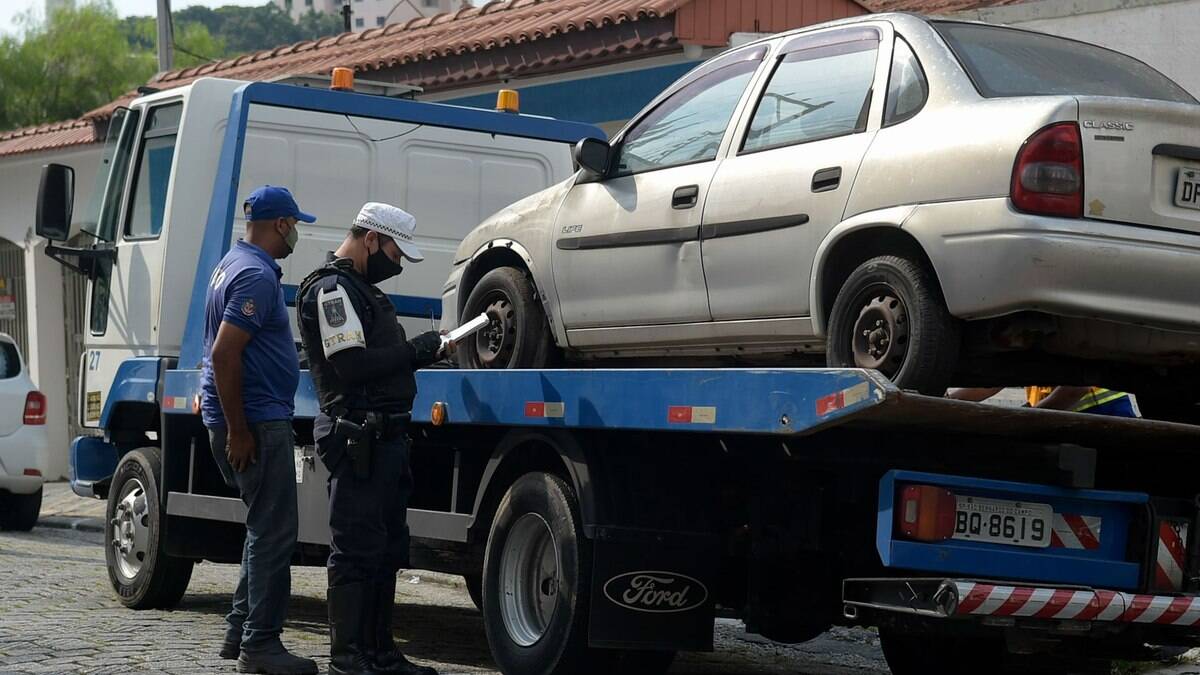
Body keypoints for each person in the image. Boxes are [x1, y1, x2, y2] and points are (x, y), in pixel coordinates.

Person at [297, 202, 445, 675]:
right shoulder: (332, 291)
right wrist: (416, 351)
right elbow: (351, 367)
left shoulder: (361, 290)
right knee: (357, 551)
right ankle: (349, 657)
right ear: (371, 239)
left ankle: (381, 652)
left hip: (385, 440)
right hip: (357, 437)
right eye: (397, 253)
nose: (398, 265)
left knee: (386, 550)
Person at [200, 185, 319, 675]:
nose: (297, 236)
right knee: (274, 535)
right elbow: (226, 353)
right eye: (296, 226)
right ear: (282, 225)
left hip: (247, 416)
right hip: (257, 422)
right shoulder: (256, 277)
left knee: (261, 529)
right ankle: (261, 647)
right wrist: (239, 430)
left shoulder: (231, 264)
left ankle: (238, 630)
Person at [947, 386, 1139, 417]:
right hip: (1062, 416)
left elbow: (1076, 389)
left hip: (1103, 413)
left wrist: (1031, 418)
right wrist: (948, 400)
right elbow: (991, 385)